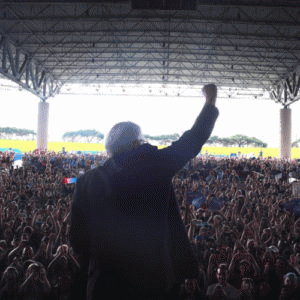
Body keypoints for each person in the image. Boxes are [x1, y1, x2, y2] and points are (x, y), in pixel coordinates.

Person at [70, 84, 219, 300]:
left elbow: (77, 240)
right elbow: (193, 140)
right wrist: (210, 101)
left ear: (109, 147)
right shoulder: (156, 167)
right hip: (152, 281)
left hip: (103, 283)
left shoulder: (86, 182)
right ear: (138, 143)